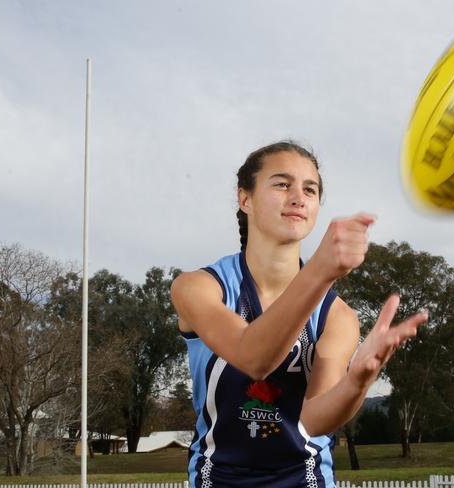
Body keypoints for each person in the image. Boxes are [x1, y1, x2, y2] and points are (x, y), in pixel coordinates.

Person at [171, 141, 428, 488]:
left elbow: (314, 419)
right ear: (245, 198)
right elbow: (253, 356)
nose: (298, 196)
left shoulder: (337, 315)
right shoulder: (197, 288)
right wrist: (320, 271)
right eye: (281, 184)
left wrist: (358, 380)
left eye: (310, 189)